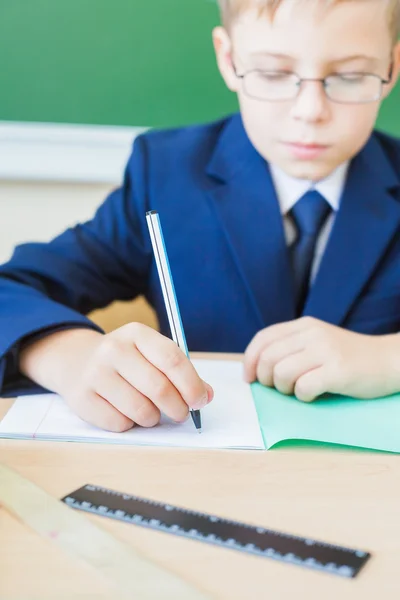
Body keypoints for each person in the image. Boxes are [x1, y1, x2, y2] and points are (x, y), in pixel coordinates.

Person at [0, 0, 400, 433]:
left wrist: (390, 358)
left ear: (392, 67)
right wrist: (67, 356)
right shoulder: (165, 173)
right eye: (272, 73)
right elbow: (10, 290)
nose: (310, 111)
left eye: (350, 76)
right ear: (229, 59)